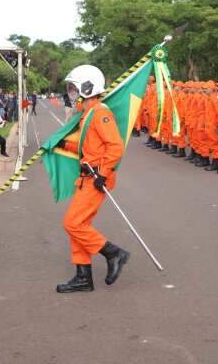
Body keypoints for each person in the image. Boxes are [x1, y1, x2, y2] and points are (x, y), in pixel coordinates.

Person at [55, 64, 130, 294]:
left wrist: (104, 173)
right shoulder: (88, 114)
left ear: (88, 88)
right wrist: (62, 144)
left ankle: (113, 252)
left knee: (72, 223)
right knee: (79, 225)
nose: (72, 92)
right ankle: (83, 277)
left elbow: (115, 147)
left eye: (74, 87)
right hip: (86, 177)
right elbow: (88, 145)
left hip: (97, 177)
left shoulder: (101, 113)